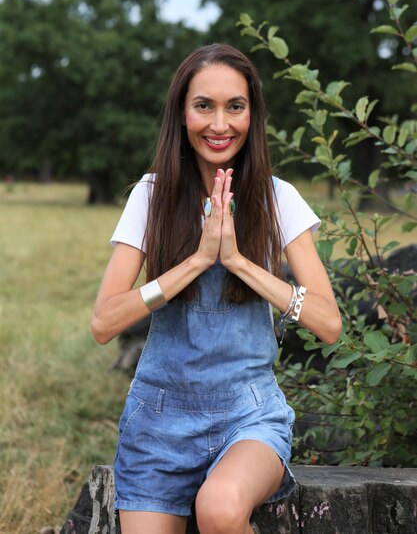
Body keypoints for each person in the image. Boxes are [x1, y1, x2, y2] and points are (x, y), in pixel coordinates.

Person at [91, 43, 342, 534]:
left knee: (221, 509)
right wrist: (197, 261)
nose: (220, 124)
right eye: (204, 105)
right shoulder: (150, 196)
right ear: (182, 115)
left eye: (236, 106)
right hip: (157, 421)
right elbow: (104, 323)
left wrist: (238, 262)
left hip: (248, 416)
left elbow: (329, 323)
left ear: (253, 114)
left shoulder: (278, 199)